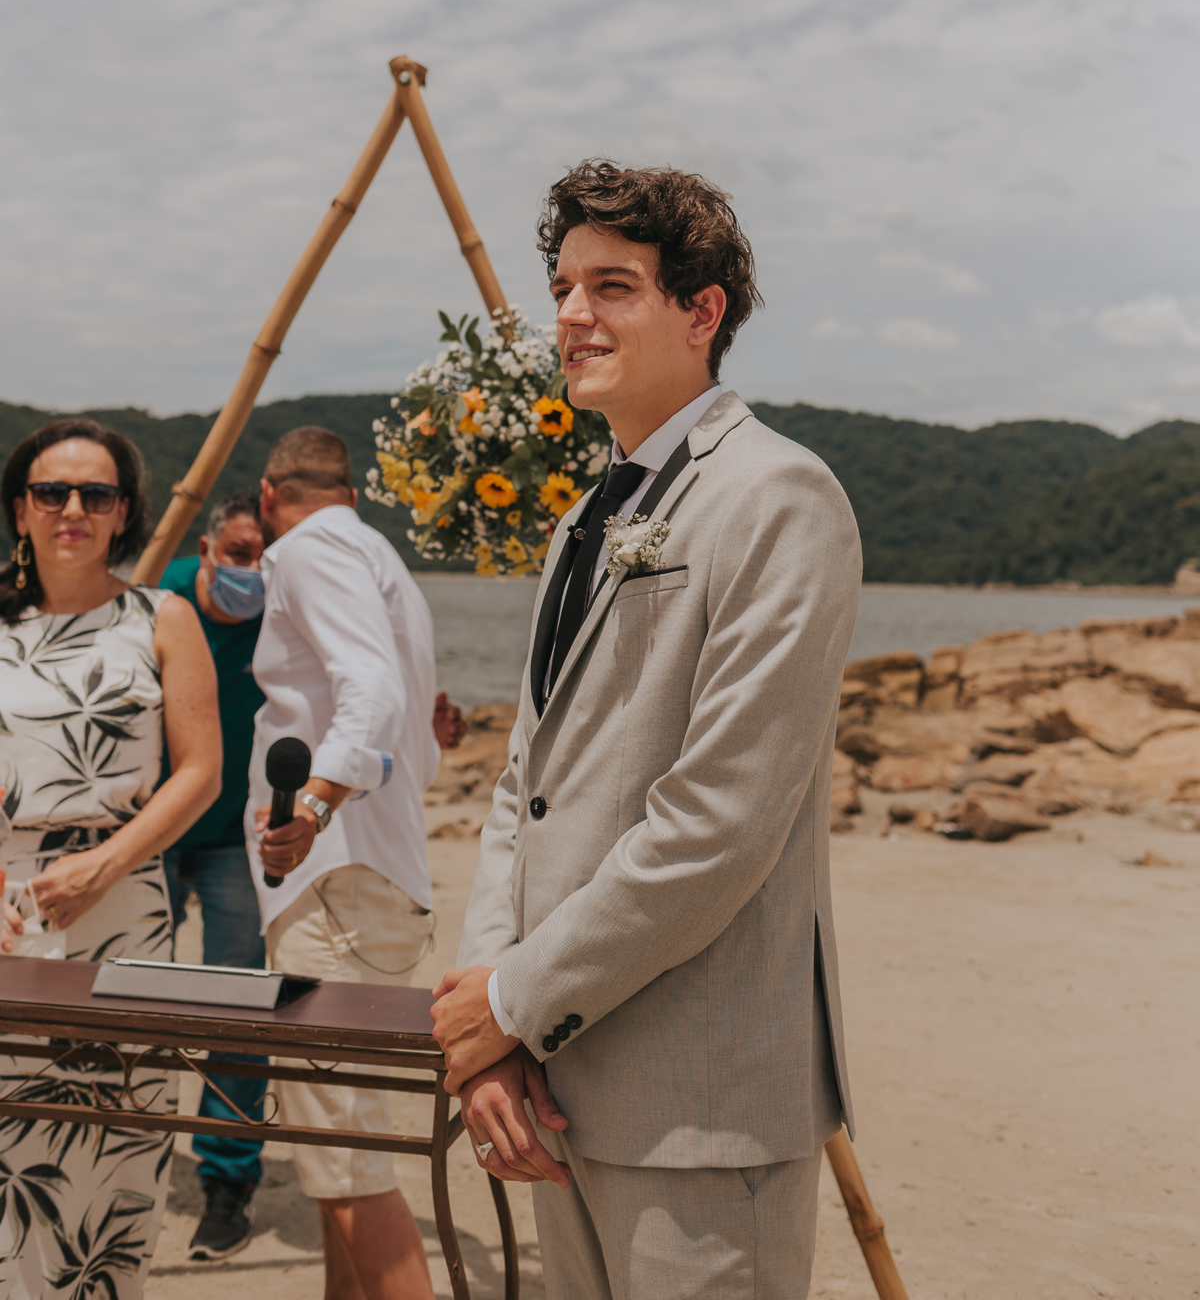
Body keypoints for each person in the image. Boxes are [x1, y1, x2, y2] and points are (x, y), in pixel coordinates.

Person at [430, 162, 863, 1300]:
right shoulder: (585, 515)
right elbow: (523, 784)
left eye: (612, 286)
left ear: (701, 310)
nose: (570, 315)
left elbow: (716, 827)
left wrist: (512, 1004)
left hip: (700, 1109)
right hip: (554, 1089)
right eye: (564, 286)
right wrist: (492, 1028)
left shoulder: (779, 496)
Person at [0, 418, 221, 1300]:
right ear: (22, 509)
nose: (73, 510)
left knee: (114, 1142)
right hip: (7, 916)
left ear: (123, 510)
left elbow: (200, 771)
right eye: (53, 492)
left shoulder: (162, 617)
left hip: (125, 908)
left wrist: (103, 865)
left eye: (96, 494)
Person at [247, 427, 463, 1300]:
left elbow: (368, 688)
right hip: (375, 880)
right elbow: (412, 744)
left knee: (347, 1163)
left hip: (334, 882)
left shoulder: (306, 548)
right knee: (342, 1153)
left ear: (268, 496)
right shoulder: (382, 563)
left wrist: (309, 806)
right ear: (355, 492)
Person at [159, 489, 269, 1262]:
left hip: (236, 836)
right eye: (237, 554)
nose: (251, 571)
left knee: (236, 1013)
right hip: (150, 833)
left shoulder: (283, 610)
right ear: (204, 547)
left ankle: (227, 1183)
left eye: (264, 558)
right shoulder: (157, 598)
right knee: (111, 995)